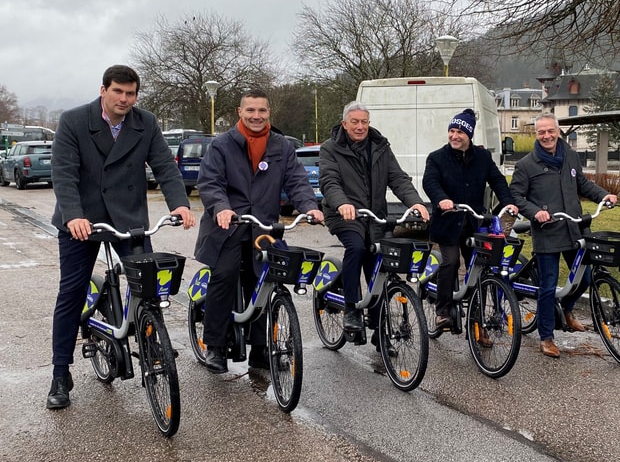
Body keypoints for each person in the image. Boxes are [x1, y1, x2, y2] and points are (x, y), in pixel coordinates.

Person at [48, 65, 196, 410]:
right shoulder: (74, 121)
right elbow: (64, 173)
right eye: (118, 91)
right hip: (82, 220)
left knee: (150, 285)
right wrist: (73, 215)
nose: (124, 99)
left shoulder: (146, 123)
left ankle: (153, 343)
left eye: (131, 94)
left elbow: (165, 166)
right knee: (71, 293)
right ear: (104, 90)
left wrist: (179, 204)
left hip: (128, 219)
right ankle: (60, 373)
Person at [194, 89, 323, 374]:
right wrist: (221, 208)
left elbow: (297, 180)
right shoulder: (222, 145)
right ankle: (215, 345)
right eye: (250, 110)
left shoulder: (281, 146)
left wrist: (309, 207)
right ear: (240, 112)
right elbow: (210, 182)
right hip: (227, 228)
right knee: (224, 276)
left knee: (264, 282)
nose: (256, 116)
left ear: (268, 113)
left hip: (263, 228)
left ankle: (261, 348)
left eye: (261, 110)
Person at [319, 101, 430, 352]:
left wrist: (415, 203)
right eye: (355, 122)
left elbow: (398, 178)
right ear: (344, 123)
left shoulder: (380, 146)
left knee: (378, 266)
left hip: (374, 216)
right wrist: (342, 203)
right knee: (357, 248)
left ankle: (381, 334)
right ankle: (351, 309)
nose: (360, 127)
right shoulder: (330, 148)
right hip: (344, 215)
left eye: (364, 122)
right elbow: (329, 181)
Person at [509, 112, 617, 358]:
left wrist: (603, 195)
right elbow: (516, 196)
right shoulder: (526, 165)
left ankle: (567, 309)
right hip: (547, 231)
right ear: (536, 134)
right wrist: (535, 212)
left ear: (558, 132)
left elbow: (582, 184)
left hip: (573, 228)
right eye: (541, 132)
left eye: (551, 131)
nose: (546, 136)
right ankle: (546, 337)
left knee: (585, 279)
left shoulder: (570, 156)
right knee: (548, 286)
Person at [422, 108, 518, 329]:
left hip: (474, 222)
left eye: (460, 132)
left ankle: (477, 323)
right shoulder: (437, 157)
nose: (454, 136)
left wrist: (508, 202)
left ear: (469, 135)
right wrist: (441, 199)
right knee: (451, 262)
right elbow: (430, 182)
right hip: (447, 223)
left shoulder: (482, 157)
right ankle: (443, 311)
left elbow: (497, 180)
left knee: (480, 268)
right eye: (452, 131)